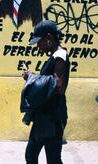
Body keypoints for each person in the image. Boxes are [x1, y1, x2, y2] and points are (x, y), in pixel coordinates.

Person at [22, 20, 70, 164]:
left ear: (49, 38)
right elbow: (49, 82)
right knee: (33, 155)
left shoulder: (60, 55)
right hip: (45, 116)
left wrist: (32, 78)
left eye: (39, 41)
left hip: (52, 118)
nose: (37, 46)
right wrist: (35, 78)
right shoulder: (56, 56)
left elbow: (58, 86)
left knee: (50, 159)